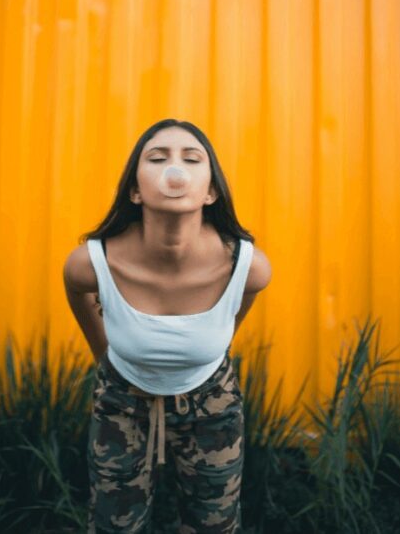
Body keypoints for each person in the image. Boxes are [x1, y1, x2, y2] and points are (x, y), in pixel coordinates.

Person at [63, 118, 272, 533]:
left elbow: (230, 321)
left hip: (212, 402)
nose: (173, 169)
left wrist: (208, 346)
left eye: (192, 159)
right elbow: (76, 291)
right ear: (136, 190)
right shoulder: (91, 263)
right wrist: (104, 353)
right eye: (157, 158)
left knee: (215, 525)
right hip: (121, 399)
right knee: (114, 525)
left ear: (210, 191)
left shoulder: (248, 269)